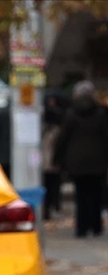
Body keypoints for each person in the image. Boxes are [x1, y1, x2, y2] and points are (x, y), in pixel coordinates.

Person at [53, 80, 108, 238]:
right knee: (96, 195)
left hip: (77, 161)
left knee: (81, 195)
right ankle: (96, 226)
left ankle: (81, 228)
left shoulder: (71, 113)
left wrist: (57, 159)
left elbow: (63, 138)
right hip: (98, 161)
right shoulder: (101, 113)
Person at [40, 93, 65, 220]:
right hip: (53, 162)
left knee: (45, 186)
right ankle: (51, 206)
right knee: (52, 186)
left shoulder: (41, 129)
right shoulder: (57, 130)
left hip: (43, 162)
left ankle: (46, 208)